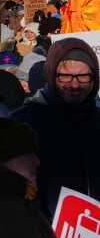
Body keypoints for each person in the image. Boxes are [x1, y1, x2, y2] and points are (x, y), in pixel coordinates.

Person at [12, 37, 100, 217]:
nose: (74, 85)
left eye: (83, 76)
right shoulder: (24, 122)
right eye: (65, 76)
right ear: (52, 75)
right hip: (44, 234)